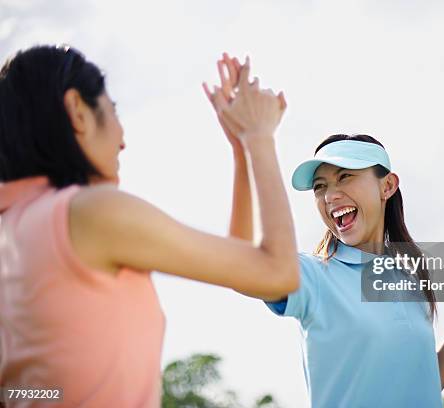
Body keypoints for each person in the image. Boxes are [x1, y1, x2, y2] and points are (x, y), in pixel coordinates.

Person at [0, 45, 297, 406]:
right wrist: (260, 136)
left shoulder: (14, 227)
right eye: (112, 111)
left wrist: (241, 150)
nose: (123, 140)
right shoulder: (90, 213)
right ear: (78, 110)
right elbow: (276, 271)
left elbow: (242, 266)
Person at [206, 57, 444, 408]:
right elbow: (235, 268)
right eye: (320, 186)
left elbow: (417, 385)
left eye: (345, 177)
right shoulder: (313, 276)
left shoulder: (411, 279)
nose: (330, 196)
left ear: (387, 185)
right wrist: (244, 148)